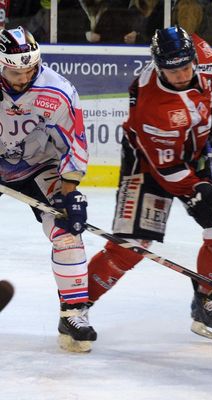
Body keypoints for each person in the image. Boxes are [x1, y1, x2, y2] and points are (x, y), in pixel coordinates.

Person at [86, 26, 212, 345]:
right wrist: (202, 191)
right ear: (158, 67)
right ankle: (75, 307)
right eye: (173, 71)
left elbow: (203, 95)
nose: (183, 74)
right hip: (148, 165)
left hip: (191, 153)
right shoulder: (152, 107)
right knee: (131, 248)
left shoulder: (203, 57)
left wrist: (211, 123)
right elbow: (167, 169)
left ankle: (205, 302)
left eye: (187, 66)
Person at [0, 27, 95, 351]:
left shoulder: (57, 91)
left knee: (68, 232)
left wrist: (70, 193)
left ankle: (73, 314)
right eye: (15, 71)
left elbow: (75, 142)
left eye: (30, 69)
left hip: (39, 165)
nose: (24, 77)